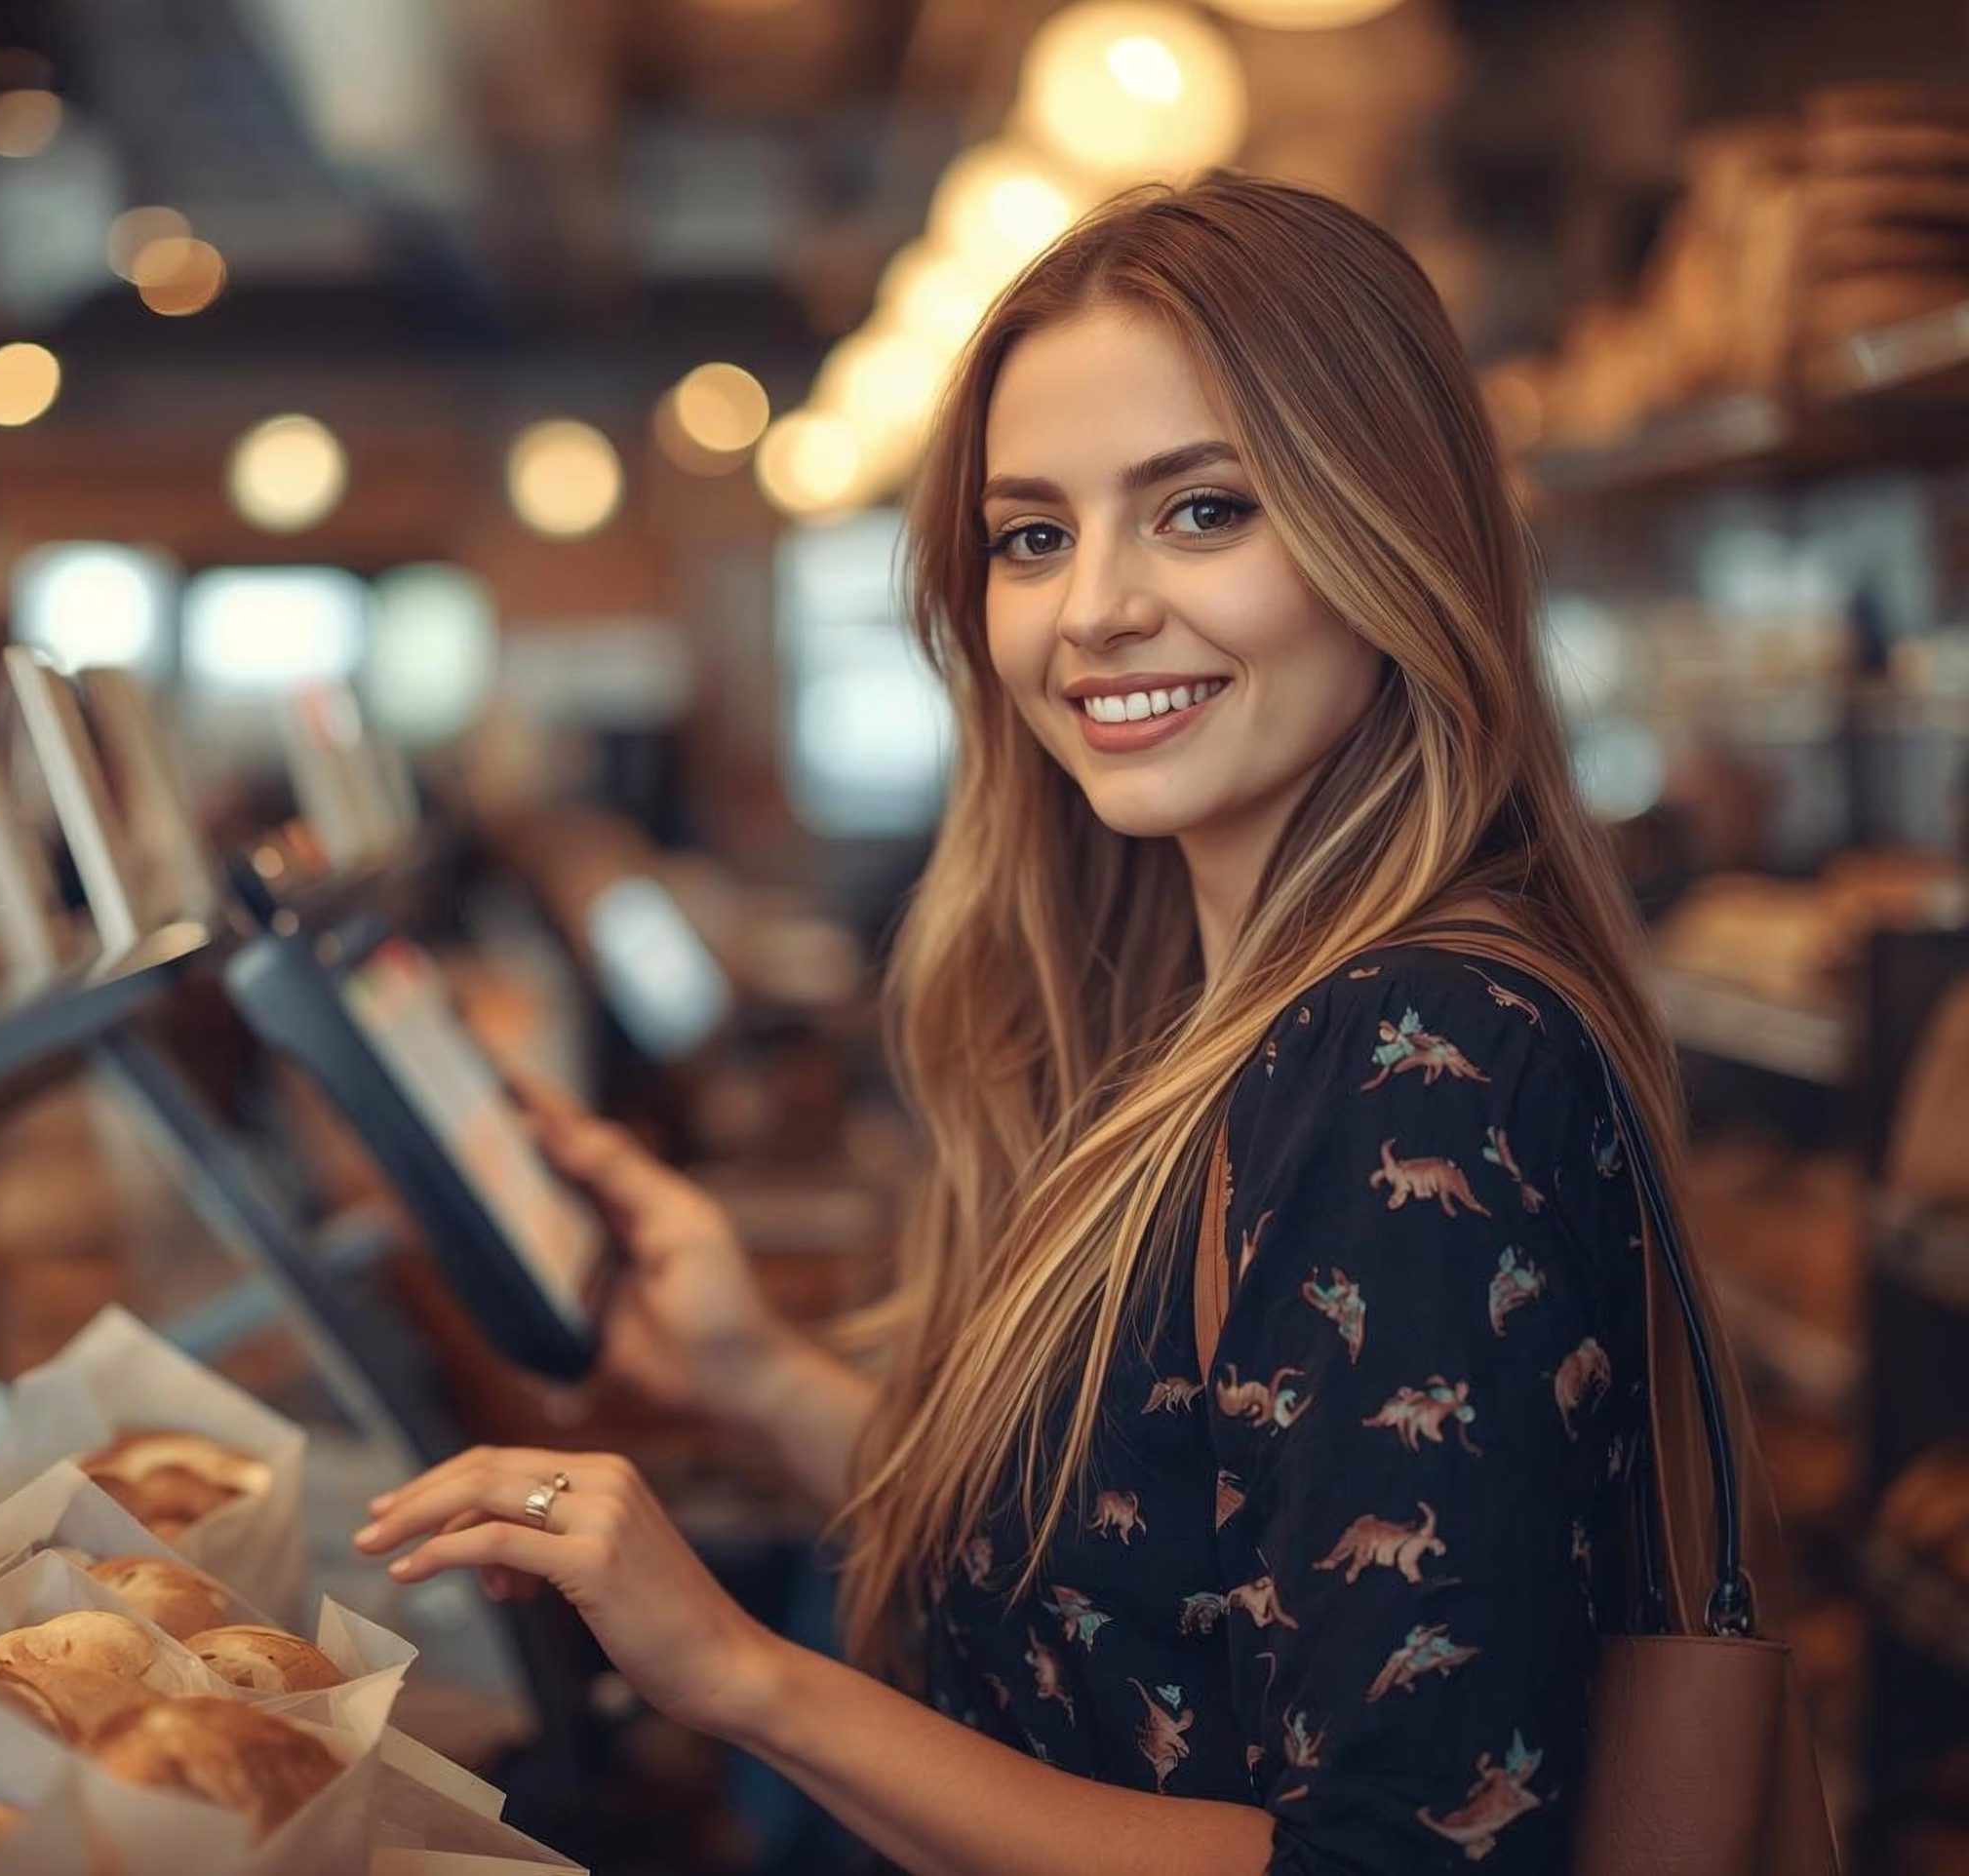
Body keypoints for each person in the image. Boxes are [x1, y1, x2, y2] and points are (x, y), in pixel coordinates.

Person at [356, 173, 1754, 1873]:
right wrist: (750, 1375)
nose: (1093, 608)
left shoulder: (1414, 1058)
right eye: (1034, 535)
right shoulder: (1216, 1016)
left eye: (1204, 510)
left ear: (1394, 535)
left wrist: (743, 1676)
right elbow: (1146, 1578)